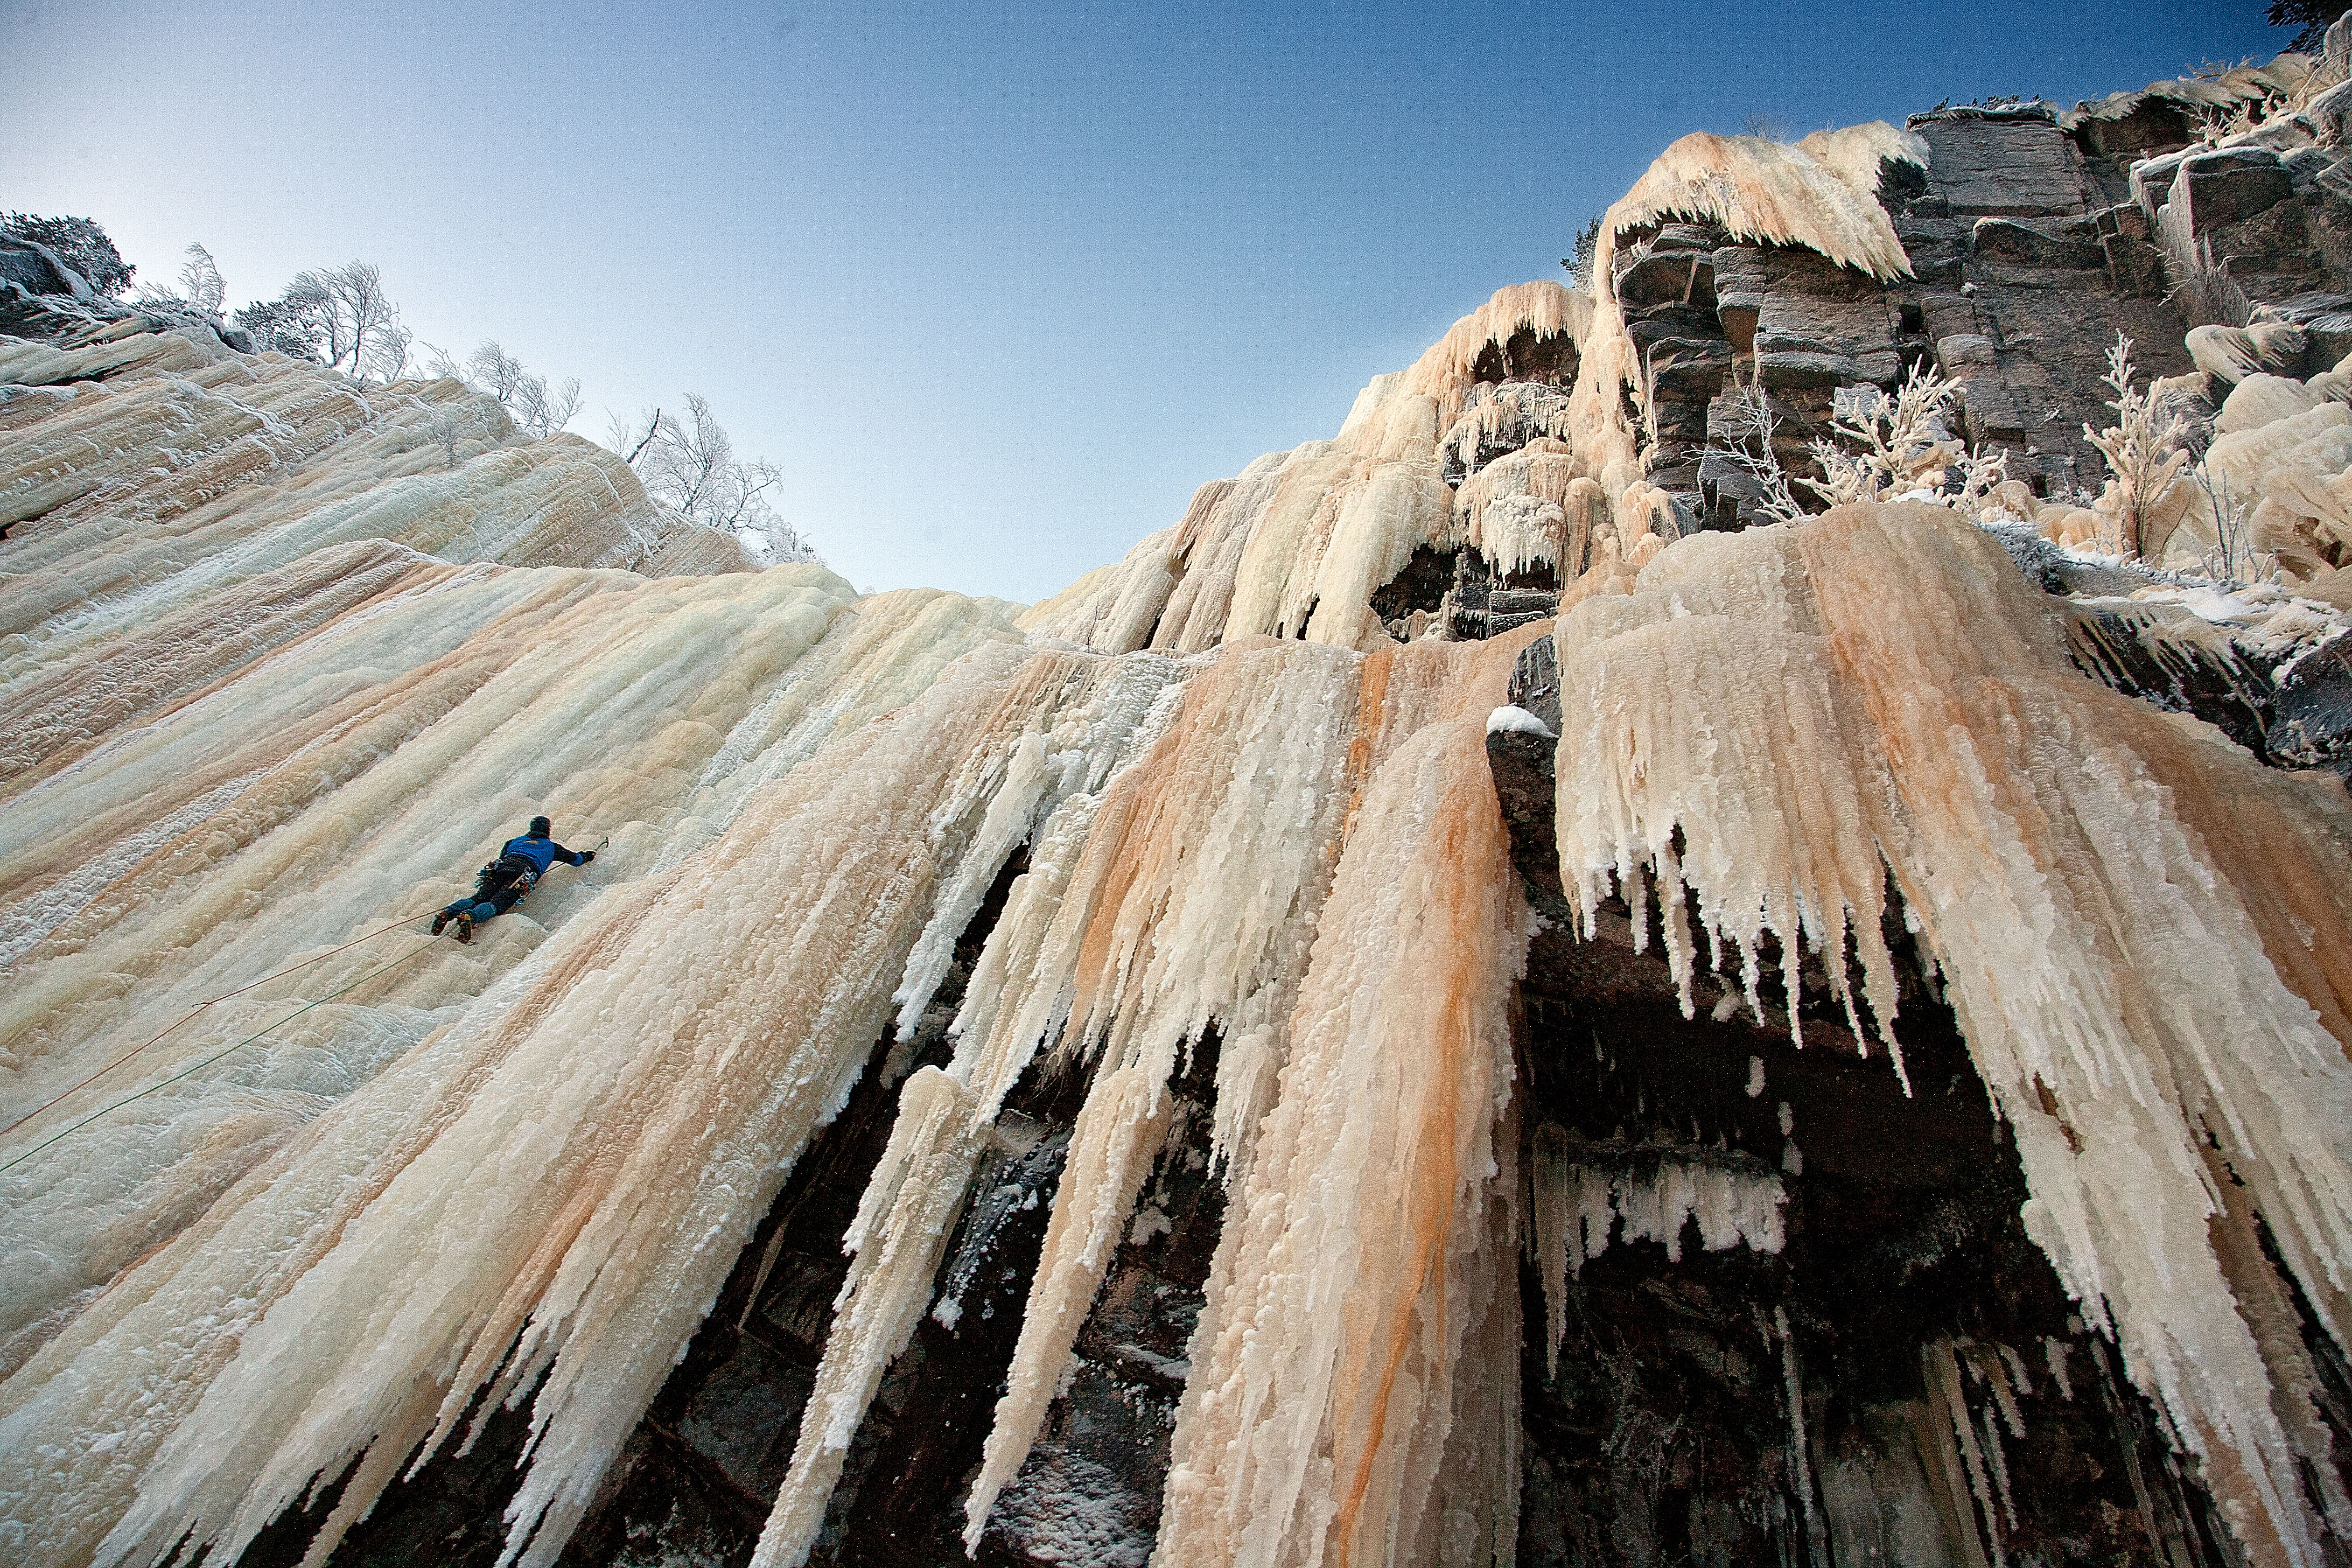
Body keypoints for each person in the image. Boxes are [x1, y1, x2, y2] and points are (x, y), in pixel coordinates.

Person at [432, 816, 595, 942]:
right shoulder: (552, 847)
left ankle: (449, 912)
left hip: (501, 868)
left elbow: (502, 857)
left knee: (478, 898)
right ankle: (470, 917)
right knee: (498, 904)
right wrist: (589, 855)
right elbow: (576, 860)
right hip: (523, 874)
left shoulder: (513, 841)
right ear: (548, 831)